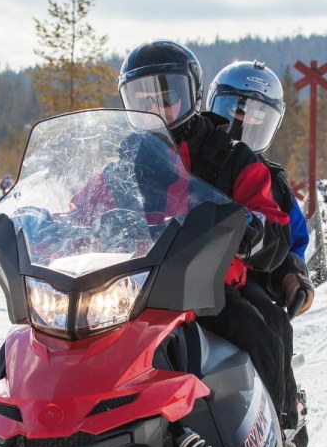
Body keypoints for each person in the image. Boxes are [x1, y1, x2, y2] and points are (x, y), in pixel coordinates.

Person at [118, 40, 291, 422]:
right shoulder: (127, 157)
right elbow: (87, 204)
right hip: (129, 290)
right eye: (141, 97)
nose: (154, 107)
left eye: (166, 96)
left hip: (206, 290)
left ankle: (276, 430)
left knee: (256, 329)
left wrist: (249, 228)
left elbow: (274, 223)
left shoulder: (231, 155)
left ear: (192, 95)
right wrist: (39, 221)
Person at [205, 59, 314, 445]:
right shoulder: (197, 153)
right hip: (184, 267)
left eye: (256, 118)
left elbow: (291, 237)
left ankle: (280, 420)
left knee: (268, 321)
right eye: (236, 111)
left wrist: (291, 272)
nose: (242, 123)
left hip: (250, 272)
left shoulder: (272, 180)